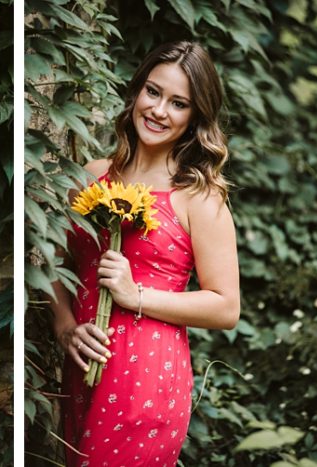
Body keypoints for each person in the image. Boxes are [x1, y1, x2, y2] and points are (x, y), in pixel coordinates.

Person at [48, 41, 240, 466]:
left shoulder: (199, 198)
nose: (158, 111)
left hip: (147, 382)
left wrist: (136, 296)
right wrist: (65, 328)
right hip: (81, 370)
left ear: (195, 117)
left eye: (179, 103)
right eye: (153, 92)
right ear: (137, 91)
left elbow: (226, 307)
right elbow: (53, 265)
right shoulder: (92, 176)